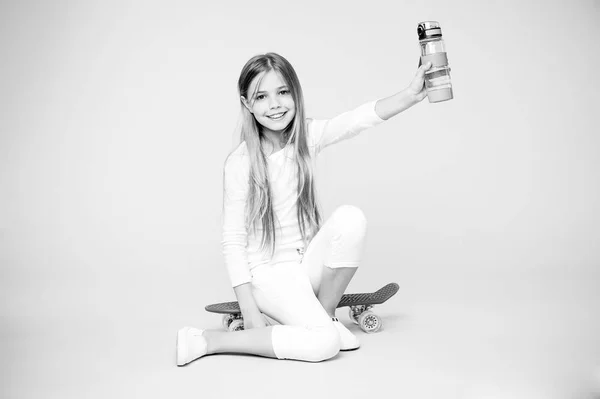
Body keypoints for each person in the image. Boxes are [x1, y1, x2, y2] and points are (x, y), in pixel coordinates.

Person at [177, 52, 432, 365]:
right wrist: (249, 310)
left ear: (294, 94)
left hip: (304, 266)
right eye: (261, 96)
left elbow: (355, 120)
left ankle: (324, 315)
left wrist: (409, 95)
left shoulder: (305, 138)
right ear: (247, 104)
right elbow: (232, 241)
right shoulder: (240, 163)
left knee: (351, 218)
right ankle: (208, 340)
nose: (275, 105)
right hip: (269, 278)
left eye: (283, 92)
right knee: (326, 344)